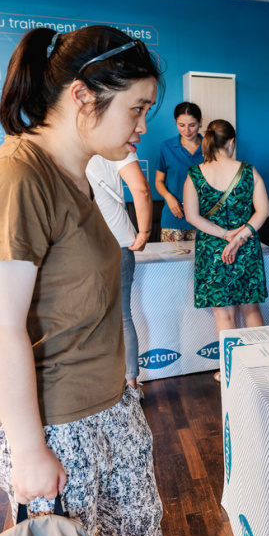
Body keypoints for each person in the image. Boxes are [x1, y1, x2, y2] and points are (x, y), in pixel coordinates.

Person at [0, 26, 163, 536]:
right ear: (83, 95)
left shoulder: (79, 172)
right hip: (57, 424)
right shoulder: (16, 176)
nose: (142, 126)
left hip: (107, 406)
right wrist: (30, 450)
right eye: (136, 109)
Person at [182, 119, 269, 381]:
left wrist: (224, 235)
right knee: (251, 308)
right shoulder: (249, 171)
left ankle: (231, 371)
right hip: (246, 248)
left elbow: (192, 217)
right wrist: (239, 236)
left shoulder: (194, 174)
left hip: (212, 249)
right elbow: (263, 211)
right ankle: (259, 366)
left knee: (224, 312)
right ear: (231, 142)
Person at [86, 152, 152, 390]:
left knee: (85, 318)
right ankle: (131, 387)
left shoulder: (68, 144)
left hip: (80, 243)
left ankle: (97, 388)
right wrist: (144, 232)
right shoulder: (117, 146)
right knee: (123, 316)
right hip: (119, 240)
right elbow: (141, 189)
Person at [156, 102, 203, 242]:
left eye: (192, 125)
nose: (187, 130)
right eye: (181, 125)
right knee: (172, 264)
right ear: (175, 122)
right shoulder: (166, 147)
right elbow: (159, 181)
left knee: (201, 263)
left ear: (200, 123)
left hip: (204, 221)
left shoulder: (211, 148)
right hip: (173, 220)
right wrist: (169, 198)